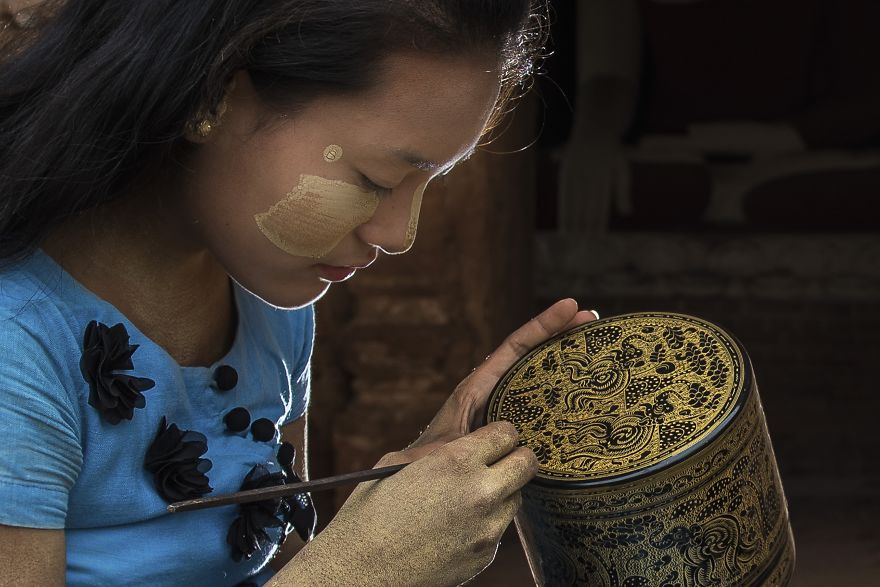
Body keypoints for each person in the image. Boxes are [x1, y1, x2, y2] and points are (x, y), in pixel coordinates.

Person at [0, 1, 598, 585]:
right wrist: (367, 569)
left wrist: (403, 492)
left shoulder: (268, 308)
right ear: (211, 95)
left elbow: (276, 565)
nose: (399, 235)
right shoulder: (17, 343)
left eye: (430, 183)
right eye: (377, 179)